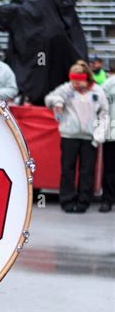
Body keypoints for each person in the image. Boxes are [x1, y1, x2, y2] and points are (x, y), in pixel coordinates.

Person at [45, 60, 108, 213]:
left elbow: (104, 114)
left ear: (85, 78)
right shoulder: (66, 89)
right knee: (68, 170)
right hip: (69, 135)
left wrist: (99, 137)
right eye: (73, 80)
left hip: (89, 138)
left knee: (87, 171)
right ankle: (67, 200)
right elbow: (49, 99)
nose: (75, 84)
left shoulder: (97, 92)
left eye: (78, 81)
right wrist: (58, 102)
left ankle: (83, 201)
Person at [99, 73, 115, 212]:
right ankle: (107, 200)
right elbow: (100, 107)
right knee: (110, 169)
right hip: (112, 133)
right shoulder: (108, 84)